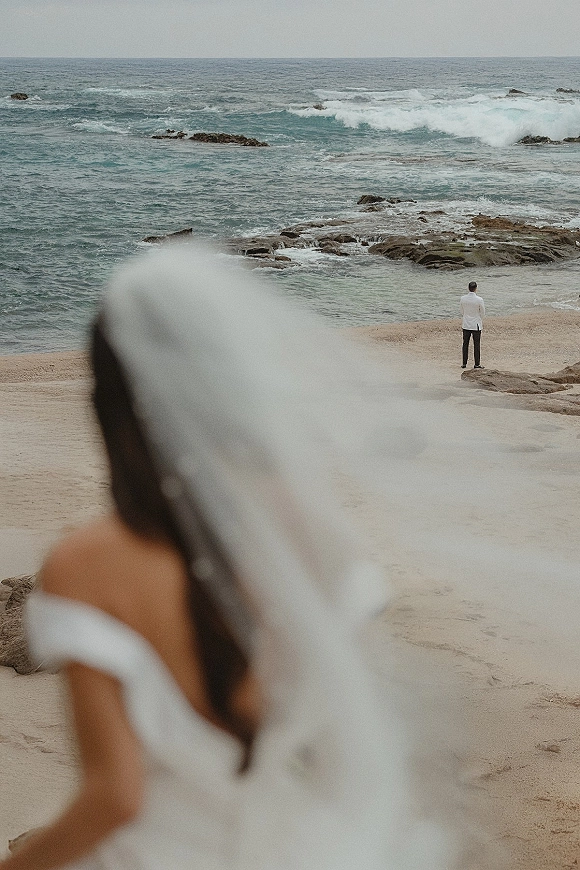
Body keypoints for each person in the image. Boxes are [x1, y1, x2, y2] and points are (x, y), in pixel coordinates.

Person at [1, 245, 417, 870]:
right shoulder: (317, 539)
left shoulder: (87, 563)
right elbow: (354, 751)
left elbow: (116, 797)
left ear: (112, 402)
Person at [460, 281, 485, 369]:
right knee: (476, 344)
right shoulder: (479, 299)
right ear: (476, 289)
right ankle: (477, 364)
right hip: (476, 324)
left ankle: (464, 363)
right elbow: (482, 312)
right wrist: (479, 318)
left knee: (465, 343)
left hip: (466, 323)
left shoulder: (463, 298)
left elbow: (462, 311)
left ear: (468, 288)